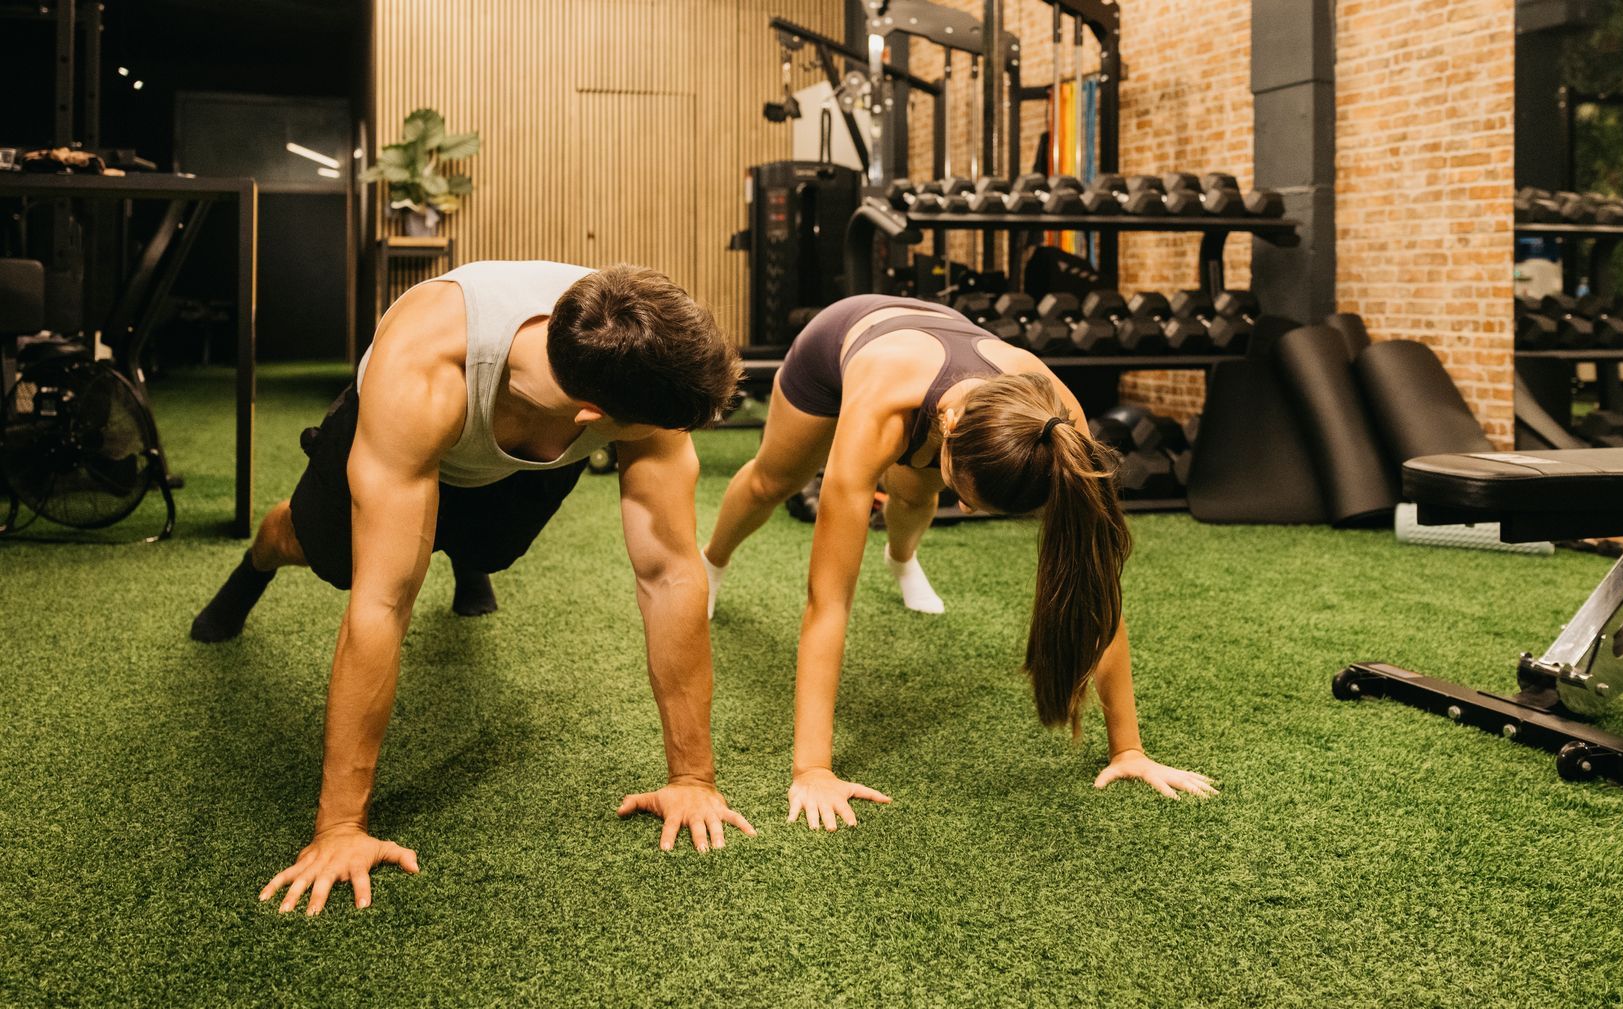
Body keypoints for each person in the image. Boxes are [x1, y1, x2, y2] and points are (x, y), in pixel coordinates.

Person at [191, 261, 755, 915]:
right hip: (414, 435)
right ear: (594, 413)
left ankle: (465, 551)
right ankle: (261, 555)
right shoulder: (425, 369)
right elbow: (382, 603)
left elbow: (670, 572)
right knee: (337, 558)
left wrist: (692, 777)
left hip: (523, 447)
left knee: (492, 547)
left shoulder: (642, 357)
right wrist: (340, 826)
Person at [701, 294, 1217, 830]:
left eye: (975, 507)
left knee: (916, 496)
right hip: (839, 343)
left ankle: (901, 560)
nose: (966, 508)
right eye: (968, 494)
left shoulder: (1058, 426)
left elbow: (1096, 583)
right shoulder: (880, 411)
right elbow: (827, 601)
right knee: (773, 479)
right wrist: (812, 769)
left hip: (946, 370)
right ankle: (711, 563)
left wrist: (1128, 749)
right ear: (948, 428)